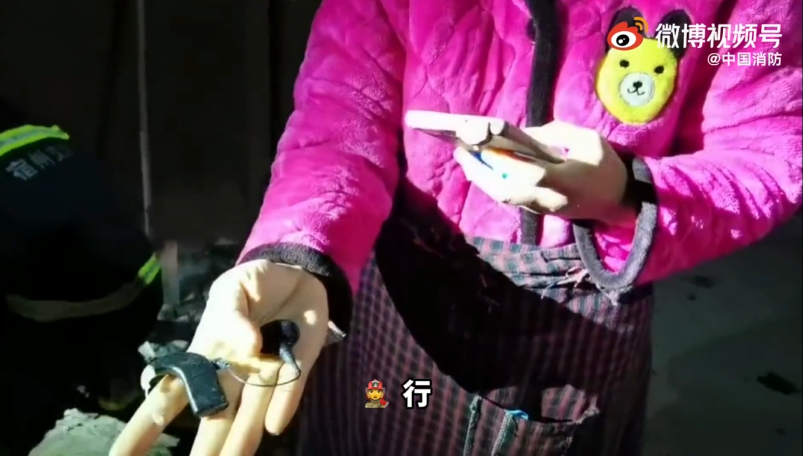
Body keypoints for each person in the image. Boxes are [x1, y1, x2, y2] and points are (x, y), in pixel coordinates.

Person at [112, 0, 802, 454]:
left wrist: (627, 190)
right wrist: (299, 250)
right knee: (370, 418)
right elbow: (341, 117)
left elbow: (769, 149)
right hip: (397, 291)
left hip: (576, 312)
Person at [0, 93, 163, 452]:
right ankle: (114, 375)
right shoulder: (17, 121)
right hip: (145, 285)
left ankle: (18, 428)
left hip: (59, 321)